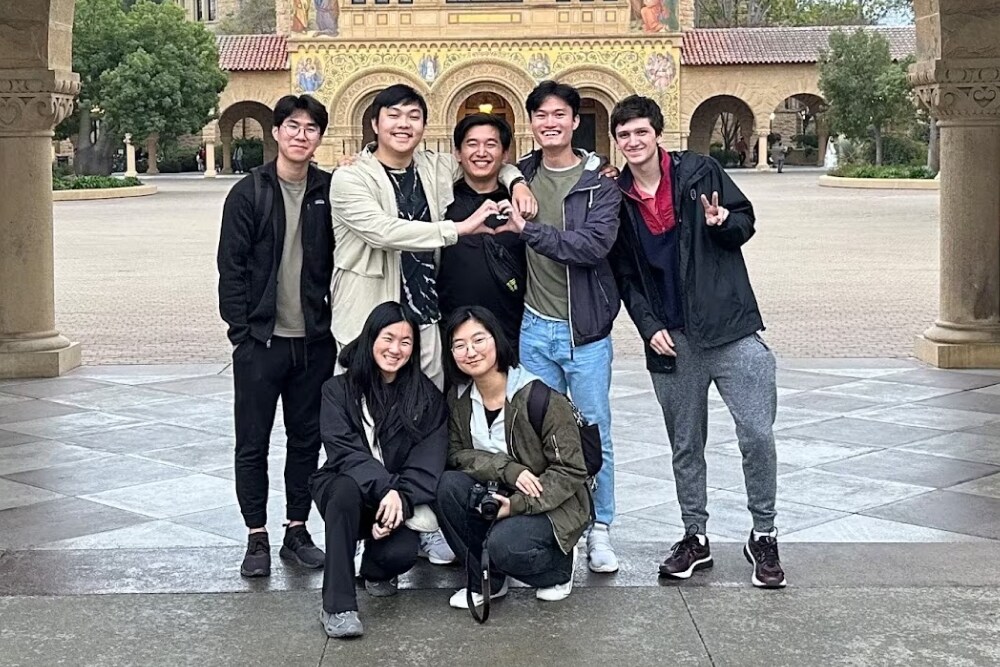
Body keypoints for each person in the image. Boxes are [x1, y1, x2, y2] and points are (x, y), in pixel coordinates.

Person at [608, 94, 785, 588]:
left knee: (756, 433)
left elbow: (745, 221)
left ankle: (764, 534)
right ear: (617, 141)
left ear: (657, 134)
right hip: (670, 340)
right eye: (624, 135)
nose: (633, 141)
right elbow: (625, 274)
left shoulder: (701, 172)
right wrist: (648, 328)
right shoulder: (617, 198)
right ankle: (695, 536)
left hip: (730, 329)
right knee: (686, 444)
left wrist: (724, 222)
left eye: (641, 131)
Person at [492, 80, 622, 573]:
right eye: (541, 115)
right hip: (533, 328)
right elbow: (499, 166)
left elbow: (590, 248)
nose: (550, 122)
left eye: (559, 115)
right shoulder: (522, 171)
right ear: (533, 123)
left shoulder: (600, 184)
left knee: (593, 431)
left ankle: (601, 528)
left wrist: (530, 230)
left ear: (575, 120)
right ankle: (553, 522)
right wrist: (515, 180)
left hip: (584, 333)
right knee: (537, 432)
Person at [330, 84, 538, 391]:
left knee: (426, 411)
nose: (404, 124)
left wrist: (518, 182)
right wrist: (458, 229)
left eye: (414, 116)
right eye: (394, 115)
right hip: (371, 315)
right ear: (375, 123)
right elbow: (383, 232)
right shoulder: (350, 177)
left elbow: (483, 159)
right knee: (367, 410)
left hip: (426, 319)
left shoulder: (432, 167)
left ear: (424, 127)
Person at [217, 94, 336, 578]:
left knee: (306, 439)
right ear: (277, 132)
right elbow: (231, 269)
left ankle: (296, 530)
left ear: (319, 137)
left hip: (313, 341)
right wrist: (242, 335)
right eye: (292, 126)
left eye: (311, 128)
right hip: (261, 344)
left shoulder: (330, 190)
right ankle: (255, 536)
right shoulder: (249, 193)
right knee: (253, 442)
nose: (301, 135)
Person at [435, 306, 590, 608]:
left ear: (497, 340)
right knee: (448, 486)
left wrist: (517, 504)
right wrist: (507, 470)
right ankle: (487, 579)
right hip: (499, 490)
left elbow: (571, 470)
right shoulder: (459, 398)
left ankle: (558, 569)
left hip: (550, 501)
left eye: (479, 340)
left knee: (503, 545)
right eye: (459, 345)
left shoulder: (540, 398)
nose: (470, 351)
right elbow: (455, 454)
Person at [310, 302, 448, 638]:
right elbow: (343, 452)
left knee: (400, 553)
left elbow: (429, 462)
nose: (395, 349)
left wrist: (400, 495)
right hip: (348, 488)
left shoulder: (426, 397)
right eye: (388, 338)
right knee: (342, 491)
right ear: (372, 338)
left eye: (405, 342)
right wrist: (387, 488)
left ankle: (373, 568)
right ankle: (337, 605)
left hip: (397, 496)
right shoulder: (338, 390)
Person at [437, 113, 527, 348]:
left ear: (505, 154)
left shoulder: (521, 202)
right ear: (457, 153)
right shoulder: (440, 201)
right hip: (452, 332)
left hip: (513, 331)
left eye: (491, 144)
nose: (481, 152)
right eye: (472, 144)